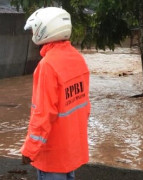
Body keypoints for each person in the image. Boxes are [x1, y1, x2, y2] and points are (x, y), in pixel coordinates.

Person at [21, 7, 90, 180]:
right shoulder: (77, 59)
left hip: (52, 154)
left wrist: (30, 149)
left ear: (44, 31)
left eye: (35, 29)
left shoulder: (48, 66)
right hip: (70, 150)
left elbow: (42, 114)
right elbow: (84, 107)